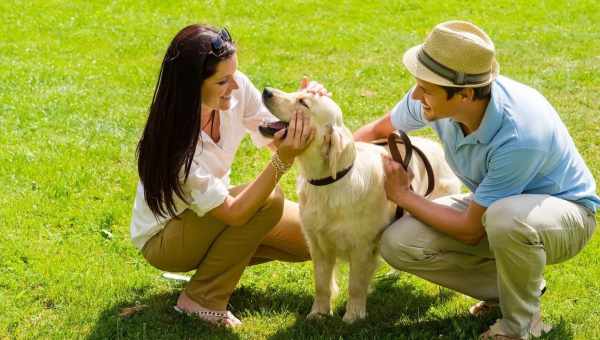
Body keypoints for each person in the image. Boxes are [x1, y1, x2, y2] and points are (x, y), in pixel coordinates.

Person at [354, 20, 598, 339]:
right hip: (493, 205)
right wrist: (335, 171)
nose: (416, 94)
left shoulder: (521, 133)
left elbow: (470, 231)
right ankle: (515, 290)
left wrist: (404, 197)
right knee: (398, 243)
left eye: (426, 89)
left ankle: (519, 325)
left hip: (567, 215)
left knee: (504, 218)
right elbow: (376, 132)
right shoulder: (432, 97)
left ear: (465, 95)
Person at [130, 24, 322, 327]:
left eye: (234, 75)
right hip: (166, 239)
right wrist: (282, 161)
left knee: (312, 238)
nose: (235, 86)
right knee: (267, 200)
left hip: (209, 214)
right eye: (222, 81)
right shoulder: (176, 147)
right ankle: (202, 298)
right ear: (193, 85)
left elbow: (275, 135)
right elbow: (234, 213)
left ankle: (220, 266)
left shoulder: (234, 89)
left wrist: (306, 106)